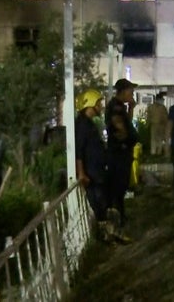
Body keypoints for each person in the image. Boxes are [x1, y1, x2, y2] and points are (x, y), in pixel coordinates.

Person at [75, 89, 114, 242]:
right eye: (99, 103)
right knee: (98, 204)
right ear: (91, 104)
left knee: (102, 202)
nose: (101, 107)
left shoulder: (88, 123)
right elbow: (79, 151)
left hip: (96, 171)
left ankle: (105, 233)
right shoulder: (83, 125)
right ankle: (103, 235)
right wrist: (82, 173)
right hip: (91, 174)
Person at [105, 78, 139, 231]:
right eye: (131, 91)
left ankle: (121, 216)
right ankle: (117, 221)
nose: (132, 94)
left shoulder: (120, 107)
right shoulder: (115, 108)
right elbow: (121, 129)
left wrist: (131, 108)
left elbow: (126, 124)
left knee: (121, 186)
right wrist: (128, 140)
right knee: (118, 187)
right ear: (124, 91)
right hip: (119, 153)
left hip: (122, 152)